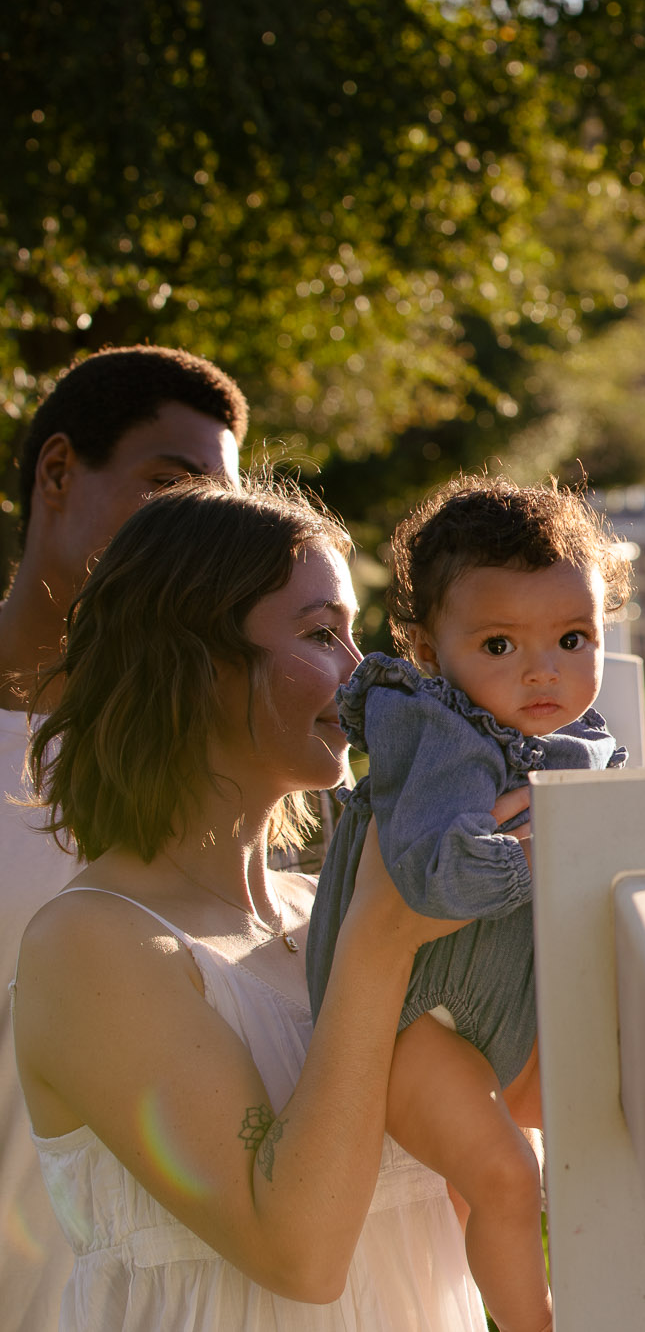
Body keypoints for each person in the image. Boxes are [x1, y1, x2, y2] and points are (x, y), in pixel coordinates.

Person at [11, 478, 487, 1330]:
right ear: (190, 658)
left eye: (353, 632)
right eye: (318, 634)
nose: (361, 675)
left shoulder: (325, 908)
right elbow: (296, 1254)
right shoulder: (92, 942)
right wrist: (380, 939)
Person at [304, 477, 630, 1332]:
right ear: (423, 647)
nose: (542, 668)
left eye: (572, 637)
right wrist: (539, 853)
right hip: (408, 1014)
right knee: (505, 1174)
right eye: (497, 643)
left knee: (606, 1123)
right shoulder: (433, 728)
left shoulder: (574, 742)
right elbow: (436, 874)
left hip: (491, 999)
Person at [0, 346, 245, 1332]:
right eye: (167, 486)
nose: (190, 532)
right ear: (59, 472)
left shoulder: (222, 761)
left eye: (213, 508)